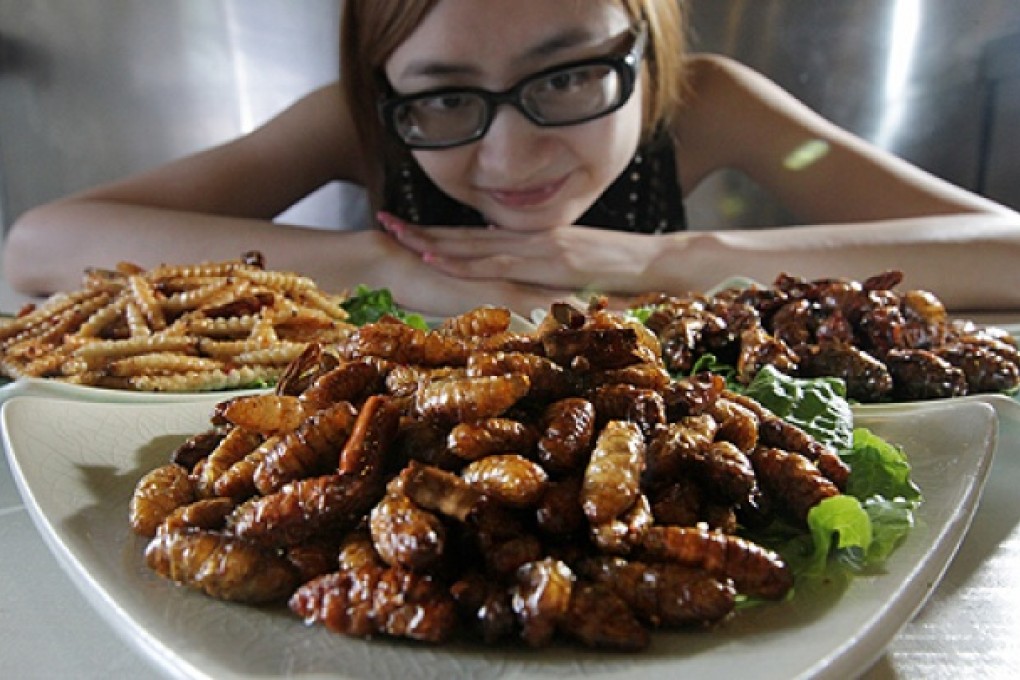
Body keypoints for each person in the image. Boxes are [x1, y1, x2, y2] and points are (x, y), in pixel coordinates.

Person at [4, 0, 1020, 317]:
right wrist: (404, 270)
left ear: (645, 42)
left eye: (568, 75)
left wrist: (670, 264)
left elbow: (1005, 251)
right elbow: (40, 243)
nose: (511, 152)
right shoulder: (351, 124)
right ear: (385, 91)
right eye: (446, 97)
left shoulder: (712, 106)